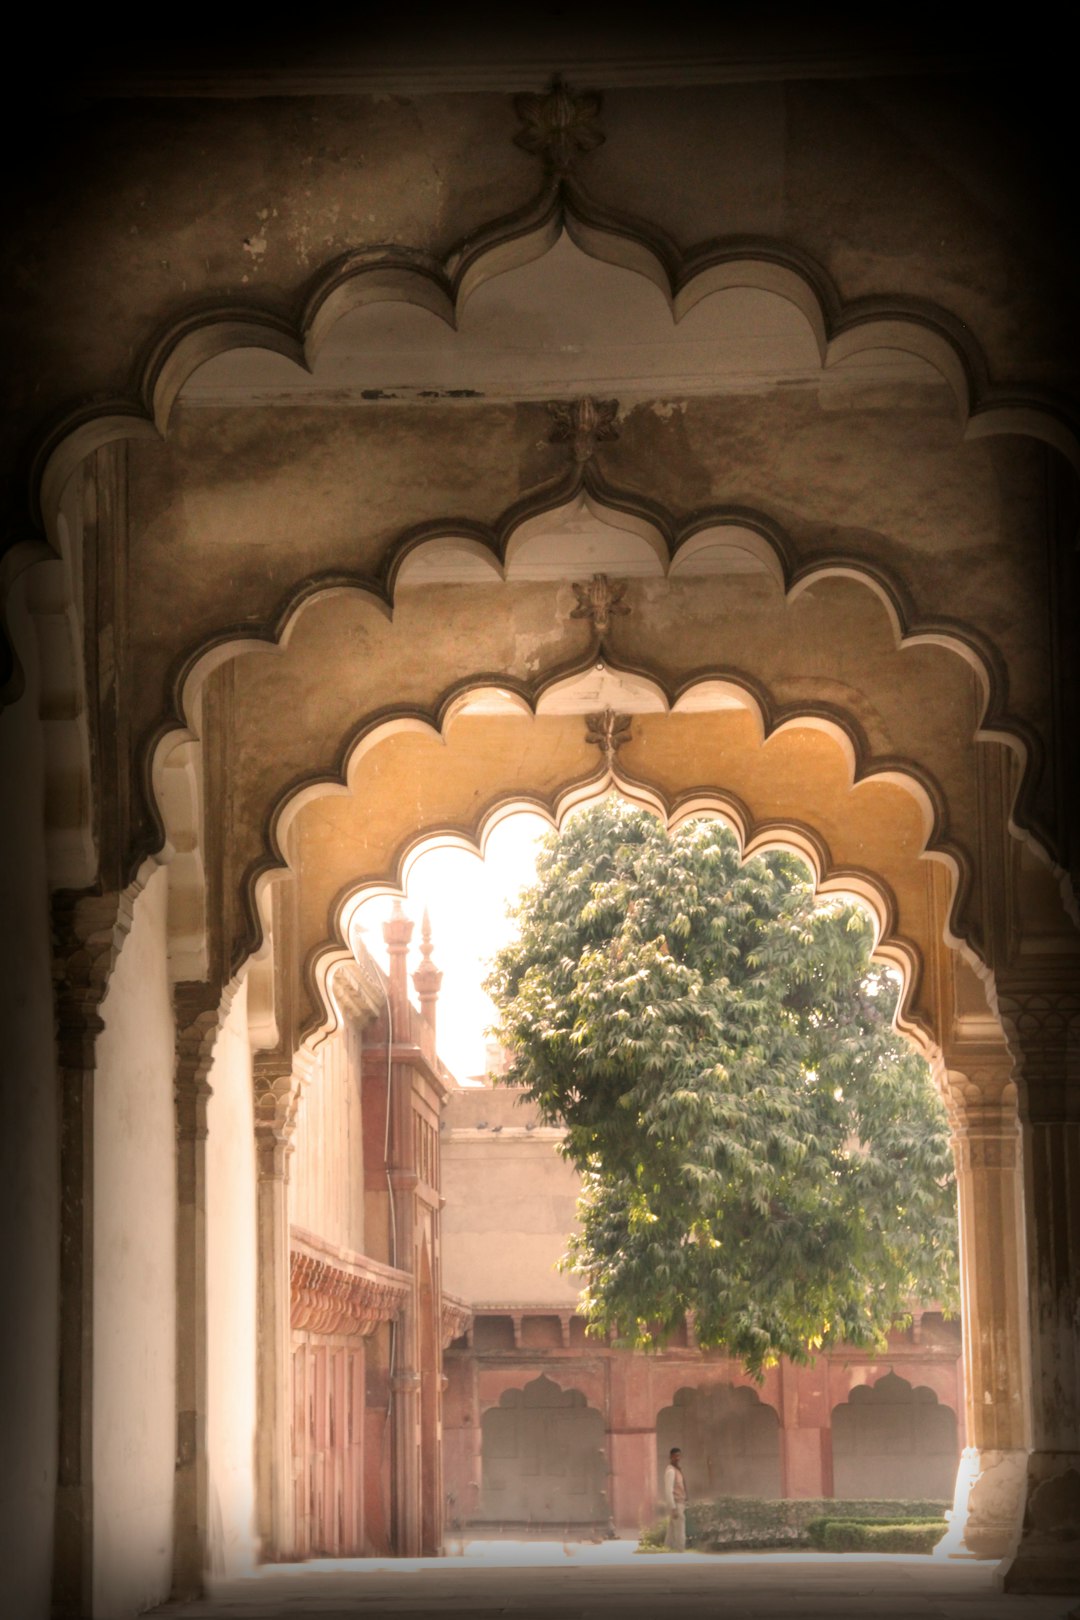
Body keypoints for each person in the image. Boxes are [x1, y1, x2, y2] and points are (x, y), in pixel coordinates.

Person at [663, 1445, 687, 1550]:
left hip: (679, 1503)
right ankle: (680, 1549)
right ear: (671, 1457)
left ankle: (668, 1547)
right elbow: (668, 1491)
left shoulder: (677, 1470)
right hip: (676, 1504)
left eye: (679, 1456)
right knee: (680, 1528)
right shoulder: (671, 1471)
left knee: (672, 1529)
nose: (677, 1458)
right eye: (675, 1456)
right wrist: (673, 1508)